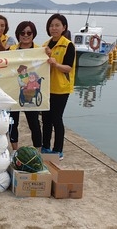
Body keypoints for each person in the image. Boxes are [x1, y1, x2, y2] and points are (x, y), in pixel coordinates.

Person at [41, 14, 76, 160]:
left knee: (57, 118)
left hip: (61, 89)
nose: (54, 28)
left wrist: (55, 64)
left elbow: (68, 68)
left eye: (57, 25)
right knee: (46, 119)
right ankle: (45, 146)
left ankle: (58, 149)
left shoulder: (68, 45)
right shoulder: (45, 45)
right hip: (46, 88)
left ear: (64, 27)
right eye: (51, 25)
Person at [8, 21, 42, 151]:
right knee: (12, 122)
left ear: (34, 34)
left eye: (29, 32)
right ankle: (15, 150)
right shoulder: (11, 50)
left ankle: (38, 150)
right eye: (22, 33)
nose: (25, 35)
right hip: (13, 90)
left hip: (31, 90)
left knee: (34, 123)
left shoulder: (40, 51)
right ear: (18, 34)